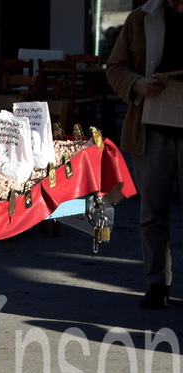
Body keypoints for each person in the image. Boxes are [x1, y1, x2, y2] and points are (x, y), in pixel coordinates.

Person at [106, 0, 183, 309]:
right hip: (151, 126)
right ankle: (157, 283)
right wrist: (137, 83)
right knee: (152, 211)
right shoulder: (142, 18)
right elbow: (115, 67)